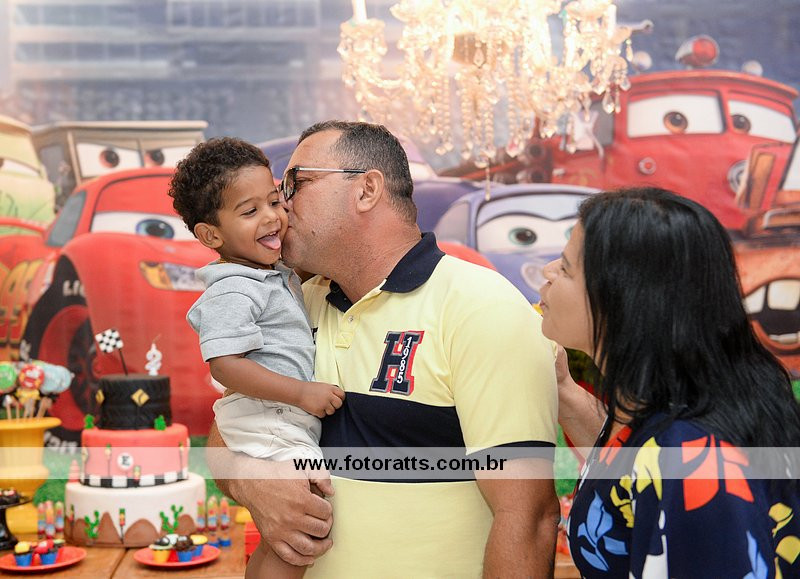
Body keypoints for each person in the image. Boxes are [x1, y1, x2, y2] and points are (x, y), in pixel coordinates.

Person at [206, 120, 561, 577]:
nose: (281, 205)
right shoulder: (293, 303)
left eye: (296, 183)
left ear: (367, 190)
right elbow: (229, 427)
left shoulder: (480, 307)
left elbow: (528, 518)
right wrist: (252, 482)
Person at [540, 186, 800, 578]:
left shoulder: (692, 457)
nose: (547, 272)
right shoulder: (661, 406)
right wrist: (562, 387)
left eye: (565, 268)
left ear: (621, 299)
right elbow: (630, 478)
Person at [169, 137, 345, 578]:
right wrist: (302, 393)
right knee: (302, 526)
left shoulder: (269, 274)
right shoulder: (233, 287)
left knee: (284, 537)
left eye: (274, 200)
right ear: (211, 236)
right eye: (249, 212)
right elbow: (225, 365)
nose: (271, 217)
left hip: (277, 415)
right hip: (269, 416)